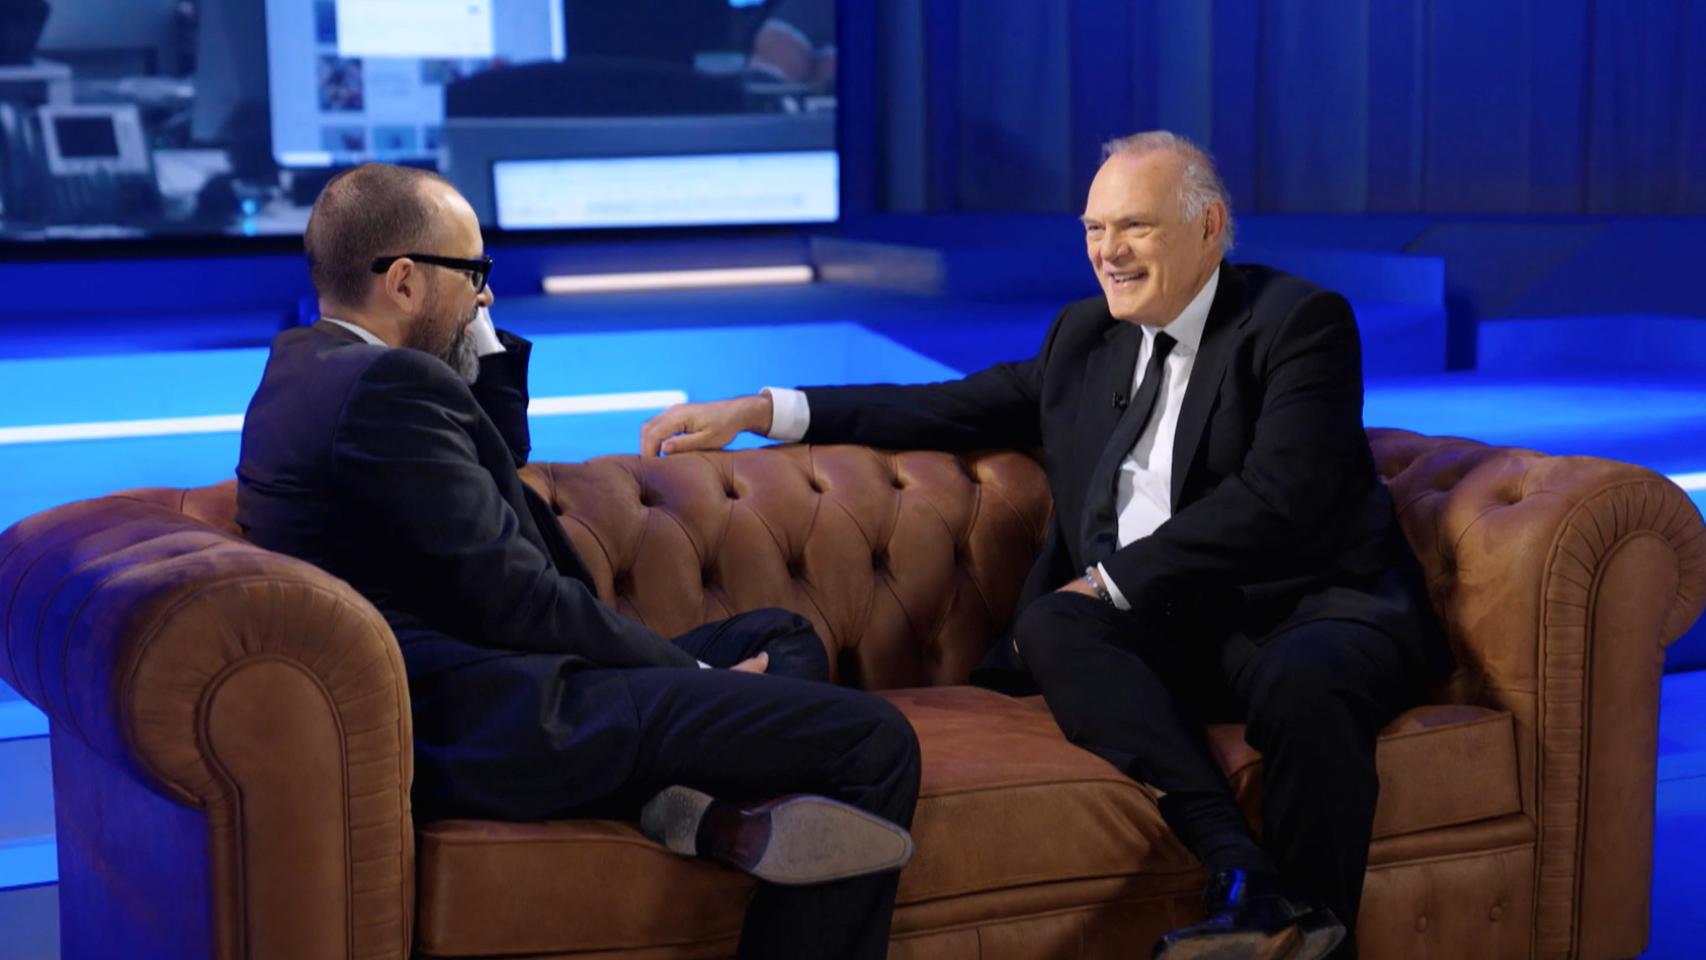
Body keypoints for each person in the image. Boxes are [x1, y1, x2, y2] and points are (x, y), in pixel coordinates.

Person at [641, 131, 1454, 960]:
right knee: (1054, 625)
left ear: (1209, 227)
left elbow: (1279, 499)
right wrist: (760, 410)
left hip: (1304, 608)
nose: (1108, 252)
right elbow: (943, 408)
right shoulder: (1085, 338)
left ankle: (1316, 937)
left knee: (1307, 684)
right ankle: (1240, 870)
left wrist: (1110, 582)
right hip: (1177, 628)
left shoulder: (1297, 323)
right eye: (1095, 229)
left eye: (1134, 226)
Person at [235, 163, 920, 960]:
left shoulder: (306, 366)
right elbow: (517, 600)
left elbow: (492, 461)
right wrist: (692, 677)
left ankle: (691, 810)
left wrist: (472, 329)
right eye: (475, 273)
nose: (487, 295)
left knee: (783, 636)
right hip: (500, 718)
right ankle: (682, 797)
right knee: (873, 742)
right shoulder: (386, 389)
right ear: (405, 282)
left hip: (492, 682)